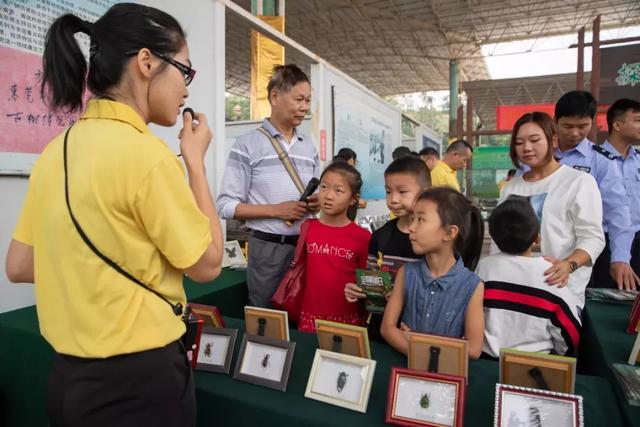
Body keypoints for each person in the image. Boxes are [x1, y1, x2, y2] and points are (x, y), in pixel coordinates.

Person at [4, 4, 224, 426]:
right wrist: (195, 162)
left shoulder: (55, 152)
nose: (187, 90)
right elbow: (209, 264)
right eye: (185, 71)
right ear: (146, 62)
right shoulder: (146, 155)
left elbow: (19, 265)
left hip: (68, 382)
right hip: (139, 385)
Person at [217, 64, 320, 307]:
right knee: (266, 318)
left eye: (307, 100)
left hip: (306, 248)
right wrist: (277, 210)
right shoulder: (248, 144)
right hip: (267, 249)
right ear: (275, 97)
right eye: (298, 99)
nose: (304, 107)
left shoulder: (309, 147)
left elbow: (316, 198)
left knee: (303, 315)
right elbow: (225, 206)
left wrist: (317, 203)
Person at [497, 112, 604, 305]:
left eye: (535, 140)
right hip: (515, 288)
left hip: (560, 291)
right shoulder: (511, 188)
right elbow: (500, 241)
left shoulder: (578, 182)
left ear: (553, 140)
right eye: (519, 143)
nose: (527, 148)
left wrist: (568, 265)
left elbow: (593, 237)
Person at [380, 187, 485, 358]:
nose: (411, 227)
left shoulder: (472, 285)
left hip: (447, 381)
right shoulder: (406, 273)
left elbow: (473, 349)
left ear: (449, 233)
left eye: (421, 219)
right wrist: (423, 354)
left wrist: (416, 340)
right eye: (412, 218)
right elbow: (387, 328)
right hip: (407, 376)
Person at [552, 91, 636, 291]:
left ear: (593, 122)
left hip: (591, 247)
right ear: (555, 122)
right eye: (567, 126)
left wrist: (620, 258)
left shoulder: (601, 161)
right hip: (549, 244)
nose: (575, 133)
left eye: (582, 127)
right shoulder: (541, 153)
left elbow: (618, 211)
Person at [478, 197, 582, 358]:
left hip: (484, 360)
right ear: (537, 237)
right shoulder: (552, 274)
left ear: (493, 235)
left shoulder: (483, 268)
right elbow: (571, 333)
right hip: (534, 368)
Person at [344, 156, 429, 337]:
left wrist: (402, 297)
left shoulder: (432, 240)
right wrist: (360, 291)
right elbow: (373, 282)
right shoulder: (380, 236)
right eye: (388, 191)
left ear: (426, 192)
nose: (393, 200)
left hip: (419, 331)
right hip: (380, 328)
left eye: (402, 192)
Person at [298, 162, 371, 332]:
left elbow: (365, 281)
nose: (328, 195)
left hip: (347, 320)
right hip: (310, 317)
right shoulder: (308, 227)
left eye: (338, 190)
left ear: (353, 199)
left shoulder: (362, 236)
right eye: (323, 187)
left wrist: (360, 291)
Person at [598, 99, 640, 290]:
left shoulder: (638, 160)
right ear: (617, 125)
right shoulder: (595, 159)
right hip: (604, 244)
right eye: (638, 120)